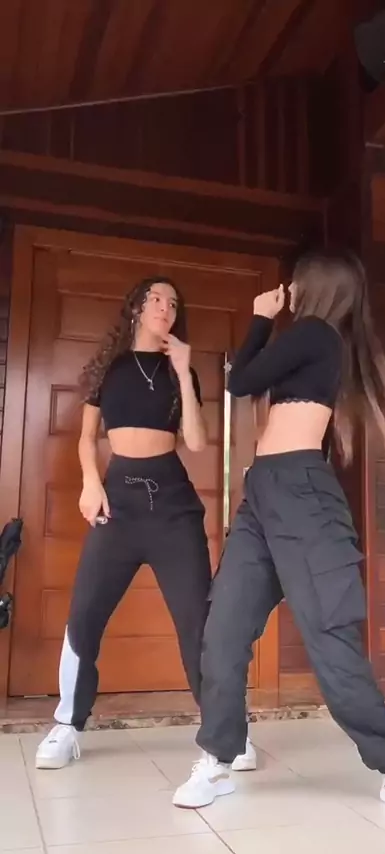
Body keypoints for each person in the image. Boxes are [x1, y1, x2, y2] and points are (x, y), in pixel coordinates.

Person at [173, 250, 385, 823]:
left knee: (330, 634)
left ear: (314, 287)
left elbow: (241, 379)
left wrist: (260, 317)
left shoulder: (316, 334)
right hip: (263, 496)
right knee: (223, 630)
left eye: (293, 283)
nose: (288, 290)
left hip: (302, 497)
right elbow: (249, 382)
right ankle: (217, 758)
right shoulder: (315, 341)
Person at [35, 276, 255, 774]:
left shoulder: (183, 371)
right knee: (85, 613)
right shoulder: (108, 369)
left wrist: (183, 373)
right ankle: (67, 725)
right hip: (117, 504)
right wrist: (91, 483)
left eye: (173, 303)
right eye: (156, 299)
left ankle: (227, 731)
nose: (165, 308)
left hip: (173, 506)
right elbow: (86, 438)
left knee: (197, 622)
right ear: (136, 307)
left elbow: (195, 442)